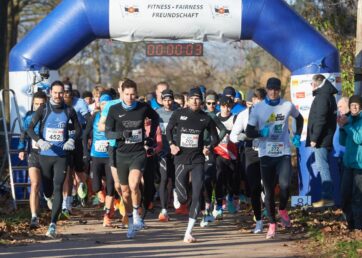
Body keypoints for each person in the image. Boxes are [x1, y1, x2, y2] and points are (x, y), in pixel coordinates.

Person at [246, 77, 303, 239]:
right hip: (265, 154)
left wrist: (297, 135)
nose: (273, 92)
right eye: (270, 89)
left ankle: (283, 209)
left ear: (280, 90)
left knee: (285, 185)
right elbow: (249, 132)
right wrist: (259, 133)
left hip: (283, 151)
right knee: (269, 191)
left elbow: (299, 118)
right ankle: (272, 223)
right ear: (267, 89)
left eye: (276, 89)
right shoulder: (258, 108)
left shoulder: (287, 105)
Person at [105, 78, 159, 239]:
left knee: (134, 184)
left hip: (138, 153)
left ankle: (136, 215)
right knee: (125, 191)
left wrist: (151, 136)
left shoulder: (143, 107)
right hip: (121, 154)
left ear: (136, 94)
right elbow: (108, 133)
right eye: (127, 94)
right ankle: (129, 221)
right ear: (121, 93)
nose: (130, 97)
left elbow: (155, 118)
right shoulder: (114, 109)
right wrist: (122, 134)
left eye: (133, 94)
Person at [27, 80, 81, 238]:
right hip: (45, 156)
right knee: (48, 189)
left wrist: (71, 140)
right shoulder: (43, 109)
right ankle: (46, 196)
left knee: (58, 188)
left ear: (64, 93)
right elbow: (29, 129)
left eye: (61, 92)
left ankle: (52, 224)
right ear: (50, 92)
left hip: (61, 156)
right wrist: (39, 140)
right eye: (55, 92)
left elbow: (78, 129)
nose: (58, 95)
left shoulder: (69, 110)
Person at [166, 87, 219, 243]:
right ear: (187, 100)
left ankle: (188, 232)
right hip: (181, 158)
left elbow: (215, 138)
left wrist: (208, 147)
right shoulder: (178, 114)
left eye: (198, 99)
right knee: (183, 198)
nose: (195, 101)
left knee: (197, 194)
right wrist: (171, 144)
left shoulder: (205, 118)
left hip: (197, 160)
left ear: (201, 101)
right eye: (192, 98)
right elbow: (169, 130)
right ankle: (177, 192)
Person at [230, 88, 267, 234]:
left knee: (268, 187)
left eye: (258, 101)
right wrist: (242, 137)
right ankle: (258, 221)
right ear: (248, 103)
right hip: (251, 153)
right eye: (252, 102)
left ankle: (271, 216)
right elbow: (233, 135)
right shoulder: (243, 115)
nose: (255, 105)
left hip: (268, 151)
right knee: (254, 188)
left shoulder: (271, 113)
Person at [83, 93, 115, 227]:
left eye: (107, 103)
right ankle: (101, 195)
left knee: (111, 187)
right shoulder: (94, 117)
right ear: (99, 105)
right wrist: (85, 152)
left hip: (110, 157)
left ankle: (107, 215)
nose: (105, 106)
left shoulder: (115, 117)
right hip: (96, 156)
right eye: (102, 104)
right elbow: (85, 135)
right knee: (96, 187)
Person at [306, 74, 338, 208]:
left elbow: (321, 119)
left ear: (316, 83)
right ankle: (327, 198)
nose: (310, 86)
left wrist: (314, 138)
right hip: (325, 137)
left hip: (322, 139)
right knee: (323, 167)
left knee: (323, 168)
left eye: (311, 84)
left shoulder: (323, 96)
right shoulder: (326, 94)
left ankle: (327, 198)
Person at [18, 91, 47, 228]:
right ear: (33, 104)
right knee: (34, 184)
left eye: (42, 104)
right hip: (34, 154)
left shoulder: (51, 116)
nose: (39, 106)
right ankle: (34, 216)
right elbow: (24, 133)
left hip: (49, 155)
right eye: (37, 104)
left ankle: (51, 202)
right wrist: (21, 148)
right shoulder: (29, 116)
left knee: (48, 187)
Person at [62, 82, 90, 215]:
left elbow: (88, 119)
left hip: (78, 139)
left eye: (68, 92)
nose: (66, 95)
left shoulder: (80, 103)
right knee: (67, 172)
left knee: (79, 170)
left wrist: (89, 135)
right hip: (63, 141)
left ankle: (82, 187)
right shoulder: (57, 105)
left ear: (72, 93)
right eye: (64, 92)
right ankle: (66, 203)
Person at [200, 91, 227, 227]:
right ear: (205, 103)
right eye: (208, 103)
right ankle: (204, 210)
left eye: (213, 103)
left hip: (209, 151)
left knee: (209, 179)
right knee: (200, 182)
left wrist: (212, 144)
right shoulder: (200, 114)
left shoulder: (212, 116)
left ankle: (209, 211)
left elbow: (223, 130)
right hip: (196, 151)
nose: (211, 105)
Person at [213, 96, 239, 219]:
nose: (226, 109)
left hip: (231, 154)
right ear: (220, 106)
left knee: (231, 180)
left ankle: (230, 198)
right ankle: (218, 206)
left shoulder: (235, 118)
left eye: (229, 106)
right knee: (219, 179)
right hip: (218, 153)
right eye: (224, 106)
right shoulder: (215, 117)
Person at [339, 95, 362, 230]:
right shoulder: (350, 119)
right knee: (345, 195)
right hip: (348, 164)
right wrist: (342, 128)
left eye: (356, 105)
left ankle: (358, 227)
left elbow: (359, 138)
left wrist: (347, 125)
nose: (353, 107)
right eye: (352, 105)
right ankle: (351, 225)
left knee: (357, 197)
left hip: (360, 165)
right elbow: (343, 142)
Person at [156, 89, 177, 222]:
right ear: (161, 100)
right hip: (162, 151)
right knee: (163, 179)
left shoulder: (178, 113)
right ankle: (164, 210)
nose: (167, 103)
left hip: (176, 151)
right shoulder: (157, 114)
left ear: (173, 100)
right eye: (165, 100)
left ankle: (179, 203)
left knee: (176, 180)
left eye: (170, 100)